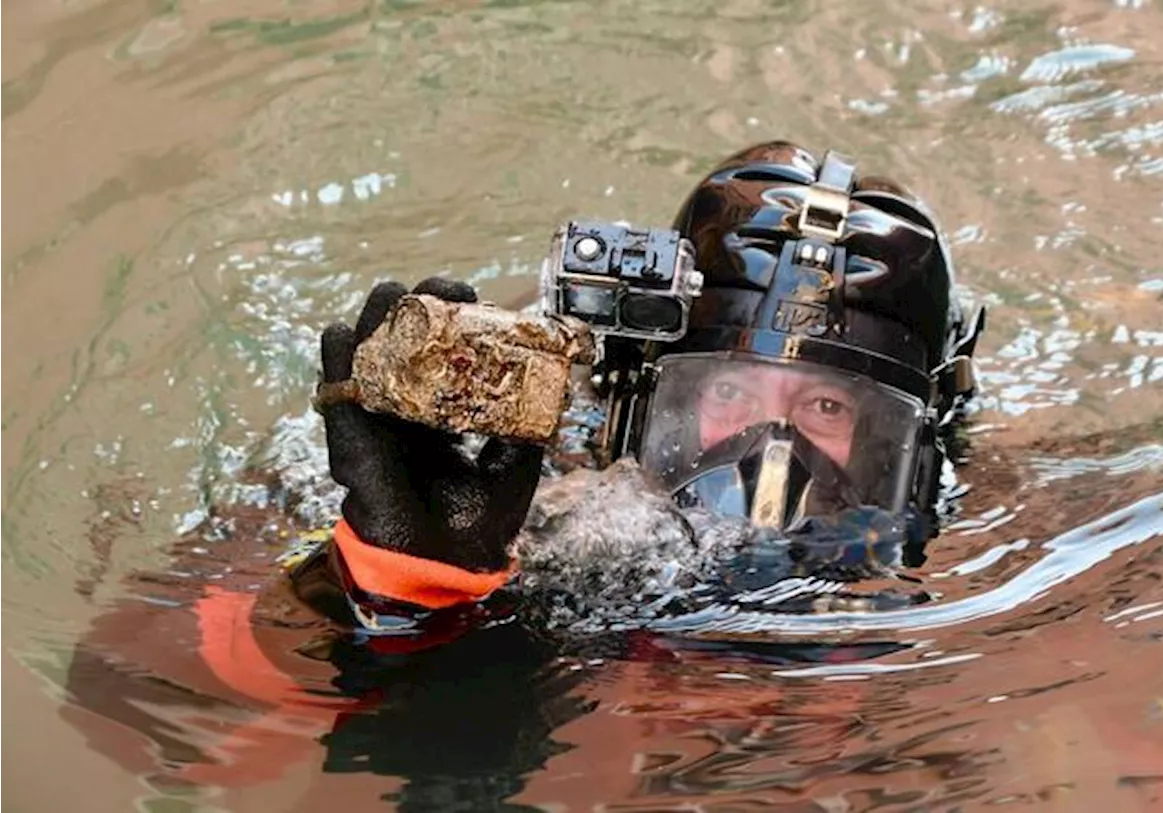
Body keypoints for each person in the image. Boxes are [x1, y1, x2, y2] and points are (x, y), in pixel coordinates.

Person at [58, 141, 986, 803]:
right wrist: (380, 586)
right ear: (632, 398)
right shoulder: (515, 467)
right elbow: (129, 694)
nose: (767, 458)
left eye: (828, 409)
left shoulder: (992, 534)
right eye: (730, 393)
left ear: (913, 451)